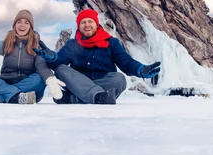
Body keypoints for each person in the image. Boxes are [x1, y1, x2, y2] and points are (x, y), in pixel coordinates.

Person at [34, 9, 162, 105]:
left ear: (96, 24)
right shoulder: (72, 44)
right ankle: (99, 97)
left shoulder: (111, 43)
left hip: (102, 81)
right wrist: (51, 58)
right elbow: (59, 62)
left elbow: (126, 62)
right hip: (78, 81)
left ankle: (74, 98)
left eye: (90, 21)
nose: (87, 25)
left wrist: (141, 70)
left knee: (119, 79)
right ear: (79, 26)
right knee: (61, 69)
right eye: (83, 22)